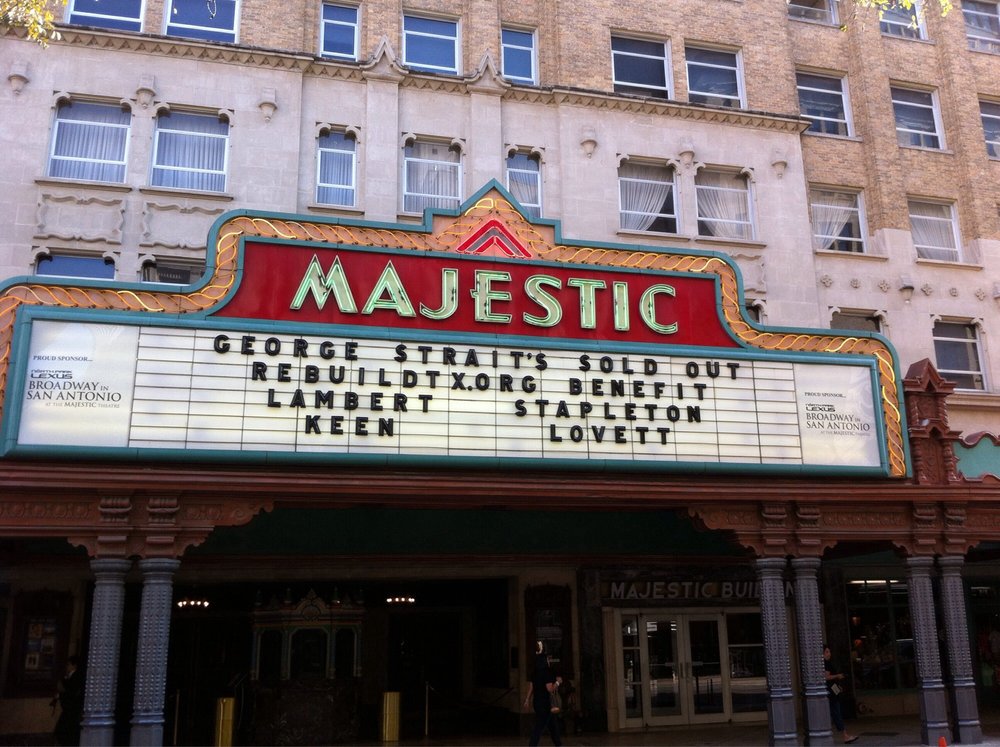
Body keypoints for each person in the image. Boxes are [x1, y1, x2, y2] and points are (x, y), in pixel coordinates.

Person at [523, 642, 561, 746]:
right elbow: (550, 689)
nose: (549, 661)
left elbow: (531, 687)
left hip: (537, 702)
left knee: (553, 726)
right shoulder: (547, 672)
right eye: (548, 660)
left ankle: (559, 744)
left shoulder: (535, 673)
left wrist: (527, 699)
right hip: (545, 703)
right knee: (539, 727)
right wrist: (558, 682)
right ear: (544, 661)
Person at [824, 644, 858, 745]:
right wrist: (837, 676)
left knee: (835, 712)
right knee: (836, 712)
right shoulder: (826, 664)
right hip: (831, 692)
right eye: (827, 652)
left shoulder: (828, 663)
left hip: (833, 690)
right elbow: (826, 677)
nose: (829, 654)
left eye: (829, 651)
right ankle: (845, 735)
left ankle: (844, 735)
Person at [51, 655, 84, 746]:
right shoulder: (70, 676)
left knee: (65, 732)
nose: (67, 667)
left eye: (69, 664)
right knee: (64, 732)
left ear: (74, 665)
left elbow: (72, 692)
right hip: (69, 709)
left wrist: (61, 693)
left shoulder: (76, 677)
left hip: (71, 709)